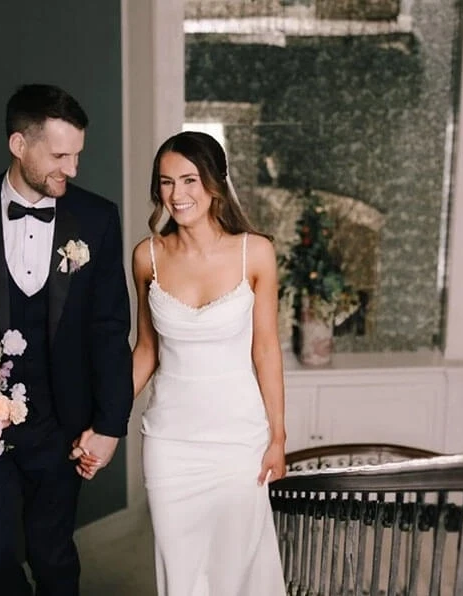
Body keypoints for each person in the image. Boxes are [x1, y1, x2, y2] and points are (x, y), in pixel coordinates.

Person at [0, 83, 133, 596]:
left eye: (77, 155)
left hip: (64, 425)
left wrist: (109, 425)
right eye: (59, 155)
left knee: (53, 555)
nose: (72, 169)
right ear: (19, 145)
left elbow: (109, 328)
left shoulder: (96, 218)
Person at [133, 130, 287, 594]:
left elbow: (266, 349)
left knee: (232, 572)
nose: (177, 195)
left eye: (189, 180)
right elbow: (146, 349)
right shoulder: (148, 258)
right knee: (180, 573)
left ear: (215, 183)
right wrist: (103, 421)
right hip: (170, 442)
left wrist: (278, 436)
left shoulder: (255, 252)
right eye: (166, 182)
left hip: (239, 441)